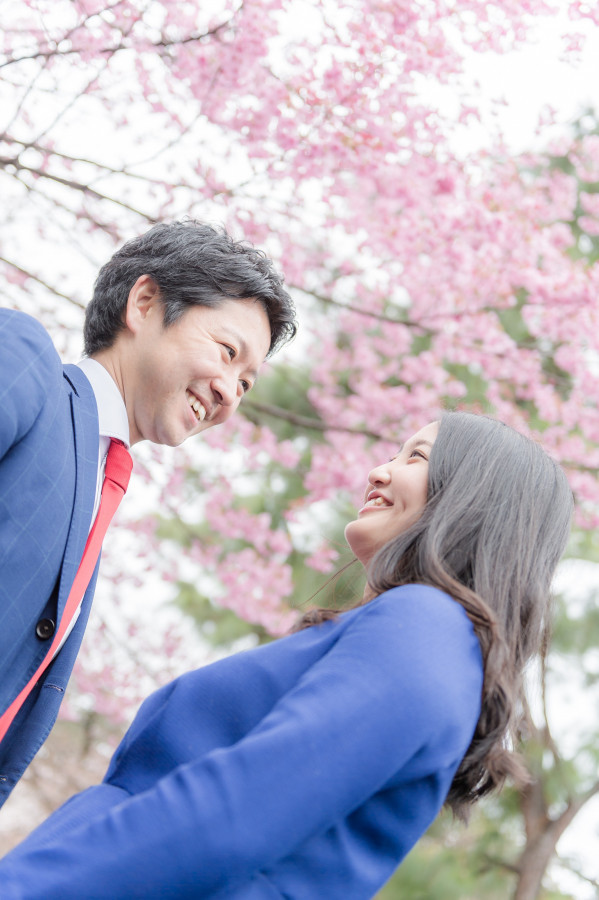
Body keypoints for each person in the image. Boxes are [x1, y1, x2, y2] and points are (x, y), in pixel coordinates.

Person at [0, 412, 572, 899]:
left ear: (471, 496)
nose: (380, 470)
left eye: (416, 458)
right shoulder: (426, 639)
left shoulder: (426, 627)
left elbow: (236, 813)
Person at [0, 220, 296, 806]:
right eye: (227, 351)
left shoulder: (99, 496)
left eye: (247, 382)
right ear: (144, 303)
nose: (232, 392)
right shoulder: (25, 360)